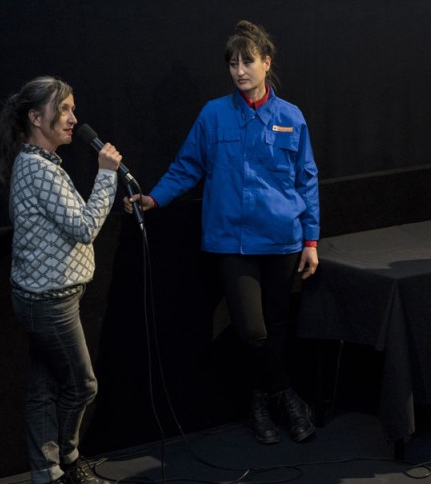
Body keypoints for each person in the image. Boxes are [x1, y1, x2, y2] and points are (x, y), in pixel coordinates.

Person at [125, 20, 320, 445]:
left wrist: (310, 240)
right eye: (233, 64)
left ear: (266, 62)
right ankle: (287, 396)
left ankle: (259, 402)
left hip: (282, 240)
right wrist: (155, 197)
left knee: (277, 324)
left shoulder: (291, 117)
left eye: (247, 62)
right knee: (252, 329)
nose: (239, 71)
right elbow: (187, 166)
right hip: (232, 241)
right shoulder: (214, 115)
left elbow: (306, 180)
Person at [0, 76, 122, 484]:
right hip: (48, 303)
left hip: (51, 298)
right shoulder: (37, 168)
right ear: (35, 117)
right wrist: (107, 175)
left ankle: (51, 480)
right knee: (82, 385)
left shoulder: (41, 164)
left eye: (72, 109)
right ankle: (64, 464)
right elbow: (84, 227)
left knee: (44, 391)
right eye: (63, 110)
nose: (73, 119)